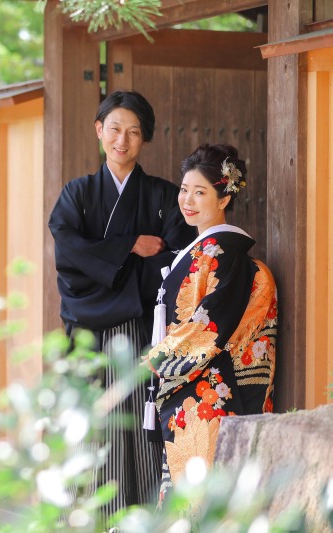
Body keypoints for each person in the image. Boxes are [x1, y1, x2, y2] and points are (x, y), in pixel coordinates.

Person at [48, 90, 195, 515]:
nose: (122, 140)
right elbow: (69, 257)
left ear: (144, 139)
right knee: (96, 422)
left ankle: (148, 514)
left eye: (133, 132)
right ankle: (92, 514)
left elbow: (174, 264)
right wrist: (129, 245)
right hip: (89, 329)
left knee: (142, 417)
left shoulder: (165, 196)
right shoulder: (77, 194)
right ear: (99, 131)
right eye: (114, 129)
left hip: (144, 327)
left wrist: (113, 263)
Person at [144, 143, 278, 504]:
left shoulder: (224, 252)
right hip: (191, 390)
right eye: (184, 189)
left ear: (223, 198)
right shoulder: (203, 248)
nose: (187, 200)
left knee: (200, 496)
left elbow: (210, 322)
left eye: (200, 192)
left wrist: (160, 360)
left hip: (206, 392)